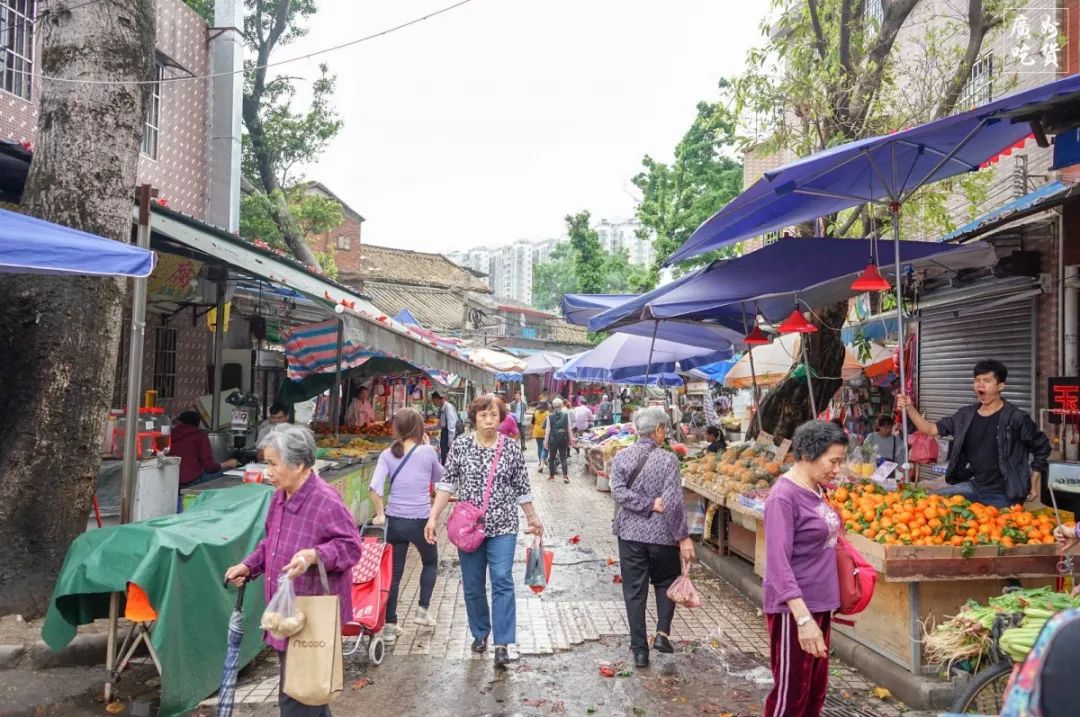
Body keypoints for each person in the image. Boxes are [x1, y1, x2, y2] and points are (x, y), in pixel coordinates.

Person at [224, 424, 362, 717]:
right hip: (287, 613)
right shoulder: (279, 497)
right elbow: (271, 544)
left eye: (273, 464)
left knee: (298, 697)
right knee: (305, 694)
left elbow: (352, 548)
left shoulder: (324, 501)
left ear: (299, 464)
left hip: (309, 615)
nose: (268, 472)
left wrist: (315, 555)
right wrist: (249, 566)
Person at [424, 394, 543, 669]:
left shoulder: (511, 449)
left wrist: (533, 517)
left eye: (493, 415)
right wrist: (433, 517)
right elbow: (447, 484)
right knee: (473, 583)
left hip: (503, 526)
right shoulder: (462, 445)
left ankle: (502, 642)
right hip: (469, 528)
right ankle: (480, 632)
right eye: (483, 416)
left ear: (501, 418)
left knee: (501, 578)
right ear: (474, 418)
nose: (489, 420)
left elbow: (522, 488)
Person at [763, 420, 848, 717]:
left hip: (819, 606)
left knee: (813, 694)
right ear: (810, 454)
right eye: (833, 461)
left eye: (840, 461)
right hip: (794, 611)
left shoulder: (815, 489)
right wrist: (802, 620)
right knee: (790, 699)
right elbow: (777, 565)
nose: (837, 469)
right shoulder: (783, 497)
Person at [896, 359, 1050, 508]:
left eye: (986, 380)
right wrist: (909, 408)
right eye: (977, 380)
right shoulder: (965, 415)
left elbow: (1042, 448)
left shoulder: (1016, 418)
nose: (980, 384)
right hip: (975, 486)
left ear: (1001, 386)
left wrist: (1034, 483)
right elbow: (930, 429)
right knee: (931, 503)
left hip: (1004, 494)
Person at [610, 407, 695, 669]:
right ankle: (661, 634)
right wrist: (683, 537)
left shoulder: (622, 456)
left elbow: (618, 493)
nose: (664, 434)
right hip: (662, 537)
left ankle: (639, 652)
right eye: (664, 430)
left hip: (630, 534)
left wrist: (643, 503)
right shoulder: (668, 460)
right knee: (665, 582)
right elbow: (673, 502)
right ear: (658, 430)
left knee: (634, 592)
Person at [369, 408, 442, 643]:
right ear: (418, 427)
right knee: (430, 561)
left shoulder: (387, 454)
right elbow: (441, 479)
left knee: (394, 574)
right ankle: (422, 610)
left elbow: (375, 488)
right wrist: (431, 449)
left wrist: (380, 515)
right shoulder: (428, 452)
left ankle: (390, 625)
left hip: (395, 522)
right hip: (421, 520)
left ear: (397, 429)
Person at [170, 411, 238, 488]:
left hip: (171, 480)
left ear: (180, 421)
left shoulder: (170, 434)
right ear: (198, 423)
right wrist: (227, 464)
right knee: (228, 473)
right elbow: (209, 467)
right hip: (190, 482)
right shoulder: (199, 436)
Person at [545, 397, 572, 483]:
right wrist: (571, 440)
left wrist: (545, 442)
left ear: (553, 406)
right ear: (561, 405)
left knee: (551, 458)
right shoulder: (566, 416)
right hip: (563, 439)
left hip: (553, 440)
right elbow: (569, 429)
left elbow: (548, 430)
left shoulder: (550, 416)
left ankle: (552, 476)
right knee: (563, 458)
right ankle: (565, 476)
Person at [432, 391, 460, 466]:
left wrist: (450, 441)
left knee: (447, 456)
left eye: (434, 400)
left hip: (448, 434)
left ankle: (446, 471)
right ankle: (444, 469)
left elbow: (451, 425)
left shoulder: (448, 407)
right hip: (444, 433)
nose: (433, 403)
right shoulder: (441, 408)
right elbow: (440, 425)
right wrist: (428, 428)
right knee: (444, 455)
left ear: (439, 399)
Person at [531, 401, 550, 473]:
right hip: (546, 431)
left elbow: (532, 422)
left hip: (537, 431)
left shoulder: (535, 412)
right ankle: (544, 460)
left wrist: (531, 431)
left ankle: (540, 460)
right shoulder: (548, 413)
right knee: (546, 447)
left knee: (539, 447)